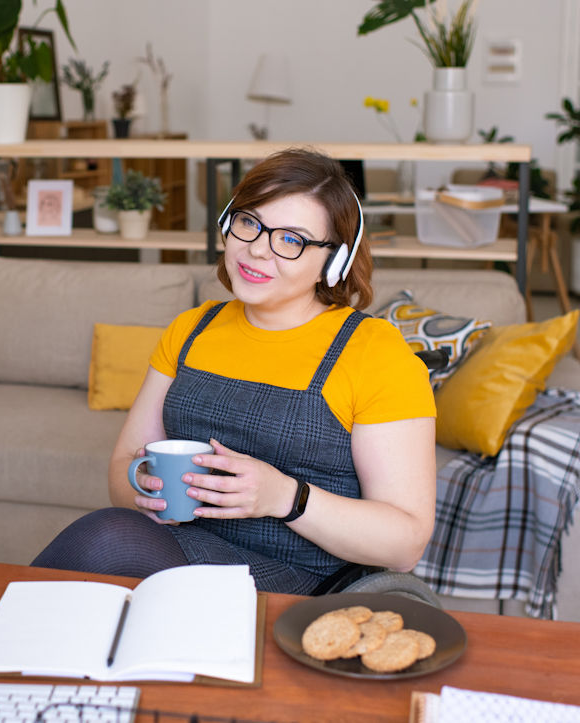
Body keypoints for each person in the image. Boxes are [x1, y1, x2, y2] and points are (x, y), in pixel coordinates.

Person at [32, 147, 436, 595]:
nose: (258, 250)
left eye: (291, 239)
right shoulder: (192, 329)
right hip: (178, 546)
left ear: (334, 261)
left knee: (108, 542)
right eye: (250, 223)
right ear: (227, 223)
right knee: (109, 542)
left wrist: (285, 496)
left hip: (302, 579)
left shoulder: (376, 354)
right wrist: (142, 484)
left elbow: (406, 544)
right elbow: (122, 469)